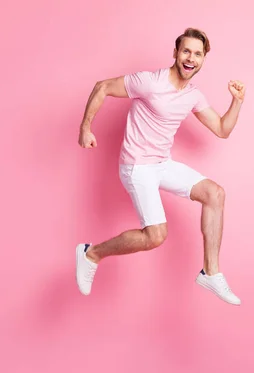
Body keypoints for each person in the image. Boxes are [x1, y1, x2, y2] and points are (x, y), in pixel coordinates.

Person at [75, 27, 245, 305]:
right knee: (155, 237)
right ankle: (90, 253)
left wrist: (237, 101)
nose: (191, 58)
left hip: (161, 164)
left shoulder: (192, 95)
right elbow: (102, 86)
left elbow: (222, 129)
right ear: (176, 53)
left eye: (198, 54)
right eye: (186, 51)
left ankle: (211, 273)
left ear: (203, 59)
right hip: (137, 166)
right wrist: (86, 127)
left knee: (215, 193)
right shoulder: (150, 82)